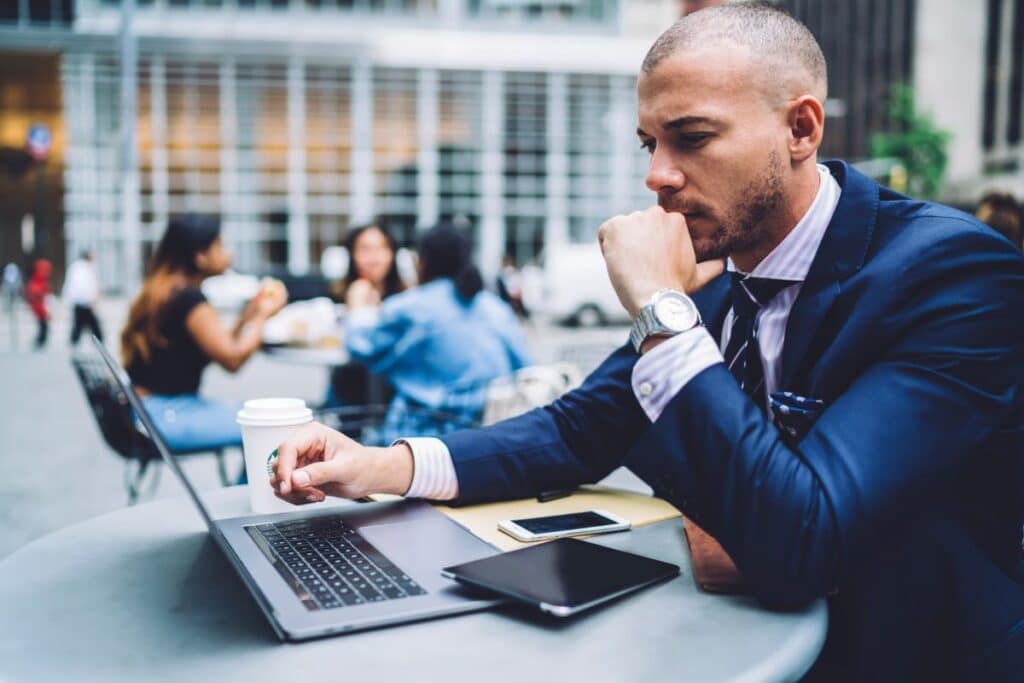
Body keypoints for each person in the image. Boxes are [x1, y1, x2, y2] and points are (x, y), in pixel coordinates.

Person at [269, 5, 1024, 680]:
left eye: (691, 138)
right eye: (650, 143)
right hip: (741, 640)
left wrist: (662, 310)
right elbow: (575, 429)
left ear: (801, 128)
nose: (659, 176)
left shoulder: (952, 273)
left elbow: (804, 542)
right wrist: (383, 464)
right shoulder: (728, 279)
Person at [340, 223, 532, 443]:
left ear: (423, 260)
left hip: (423, 437)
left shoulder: (411, 306)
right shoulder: (494, 307)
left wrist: (357, 308)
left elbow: (360, 346)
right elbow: (526, 367)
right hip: (487, 435)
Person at [121, 214, 286, 453]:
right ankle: (248, 491)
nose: (227, 253)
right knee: (266, 427)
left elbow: (214, 346)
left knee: (259, 417)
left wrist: (245, 318)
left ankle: (246, 489)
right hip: (165, 415)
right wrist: (263, 316)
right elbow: (232, 360)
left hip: (145, 410)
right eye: (219, 245)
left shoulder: (164, 290)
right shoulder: (189, 299)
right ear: (200, 257)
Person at [326, 224, 406, 407]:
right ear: (352, 255)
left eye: (382, 248)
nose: (374, 258)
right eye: (365, 249)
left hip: (394, 393)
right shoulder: (339, 294)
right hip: (349, 389)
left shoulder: (405, 299)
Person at [62, 249, 104, 345]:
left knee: (79, 323)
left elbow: (70, 285)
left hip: (79, 302)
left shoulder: (76, 268)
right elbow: (85, 286)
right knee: (90, 323)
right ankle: (97, 341)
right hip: (84, 302)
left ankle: (75, 340)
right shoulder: (84, 269)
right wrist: (91, 298)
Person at [24, 258, 51, 350]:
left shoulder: (41, 279)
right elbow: (35, 292)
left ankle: (40, 340)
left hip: (39, 305)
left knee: (43, 325)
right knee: (43, 324)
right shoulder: (38, 279)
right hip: (39, 306)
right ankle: (40, 341)